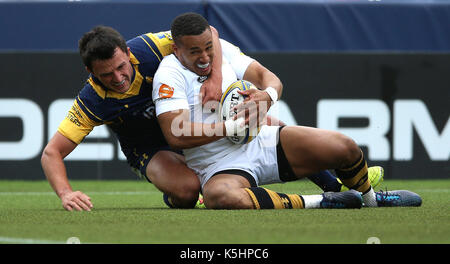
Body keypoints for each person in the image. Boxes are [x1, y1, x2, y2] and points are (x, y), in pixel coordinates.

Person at [153, 12, 422, 209]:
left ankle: (371, 199)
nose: (205, 57)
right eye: (195, 51)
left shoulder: (223, 52)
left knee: (345, 146)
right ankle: (323, 201)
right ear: (177, 49)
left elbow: (269, 78)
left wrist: (266, 97)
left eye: (209, 48)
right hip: (217, 167)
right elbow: (176, 135)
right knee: (220, 197)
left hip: (263, 142)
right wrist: (233, 127)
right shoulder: (168, 74)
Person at [41, 25, 225, 211]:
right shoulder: (92, 101)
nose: (118, 78)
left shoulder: (151, 47)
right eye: (106, 74)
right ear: (90, 70)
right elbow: (51, 153)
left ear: (128, 53)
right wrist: (66, 193)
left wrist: (216, 78)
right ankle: (174, 195)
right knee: (187, 192)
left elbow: (210, 31)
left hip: (188, 124)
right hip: (148, 148)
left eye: (121, 67)